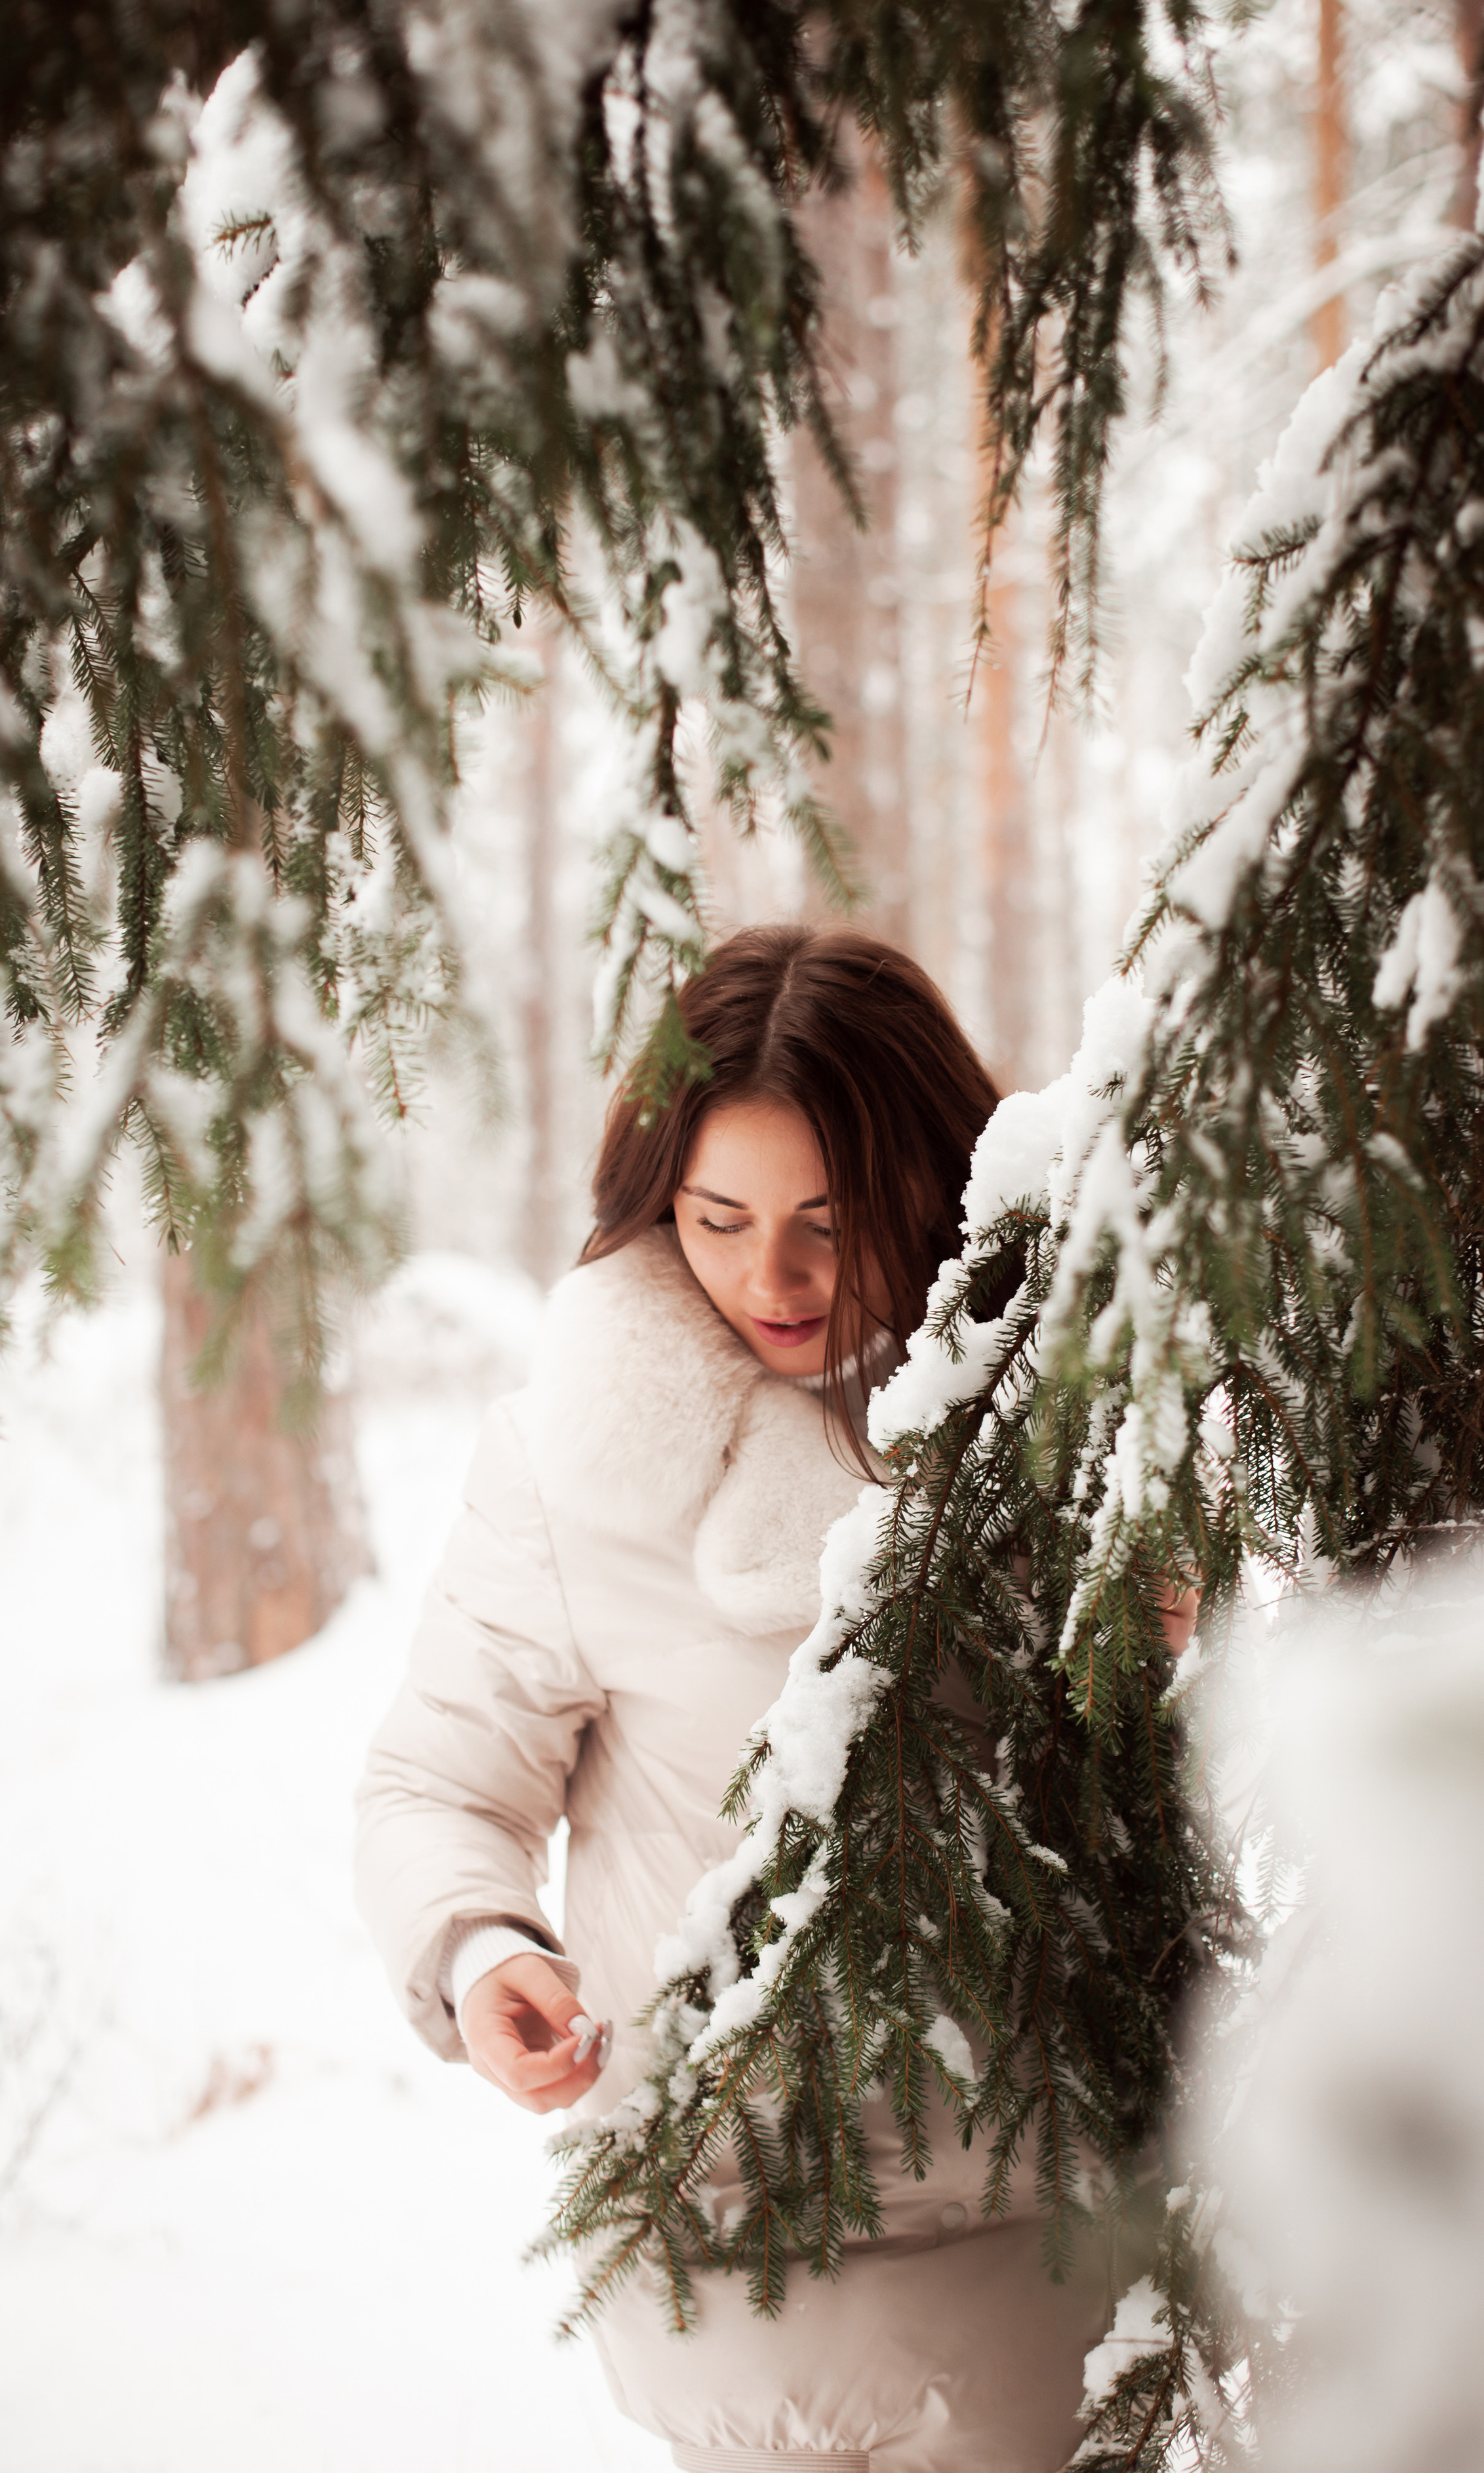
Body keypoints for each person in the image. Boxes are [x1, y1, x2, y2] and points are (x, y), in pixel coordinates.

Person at [355, 924, 1121, 2473]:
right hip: (727, 2229)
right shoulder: (578, 1460)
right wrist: (479, 1943)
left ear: (942, 1183)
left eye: (831, 1223)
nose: (770, 1280)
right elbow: (441, 1780)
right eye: (718, 1221)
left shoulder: (1072, 1426)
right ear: (656, 1206)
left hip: (1041, 2211)